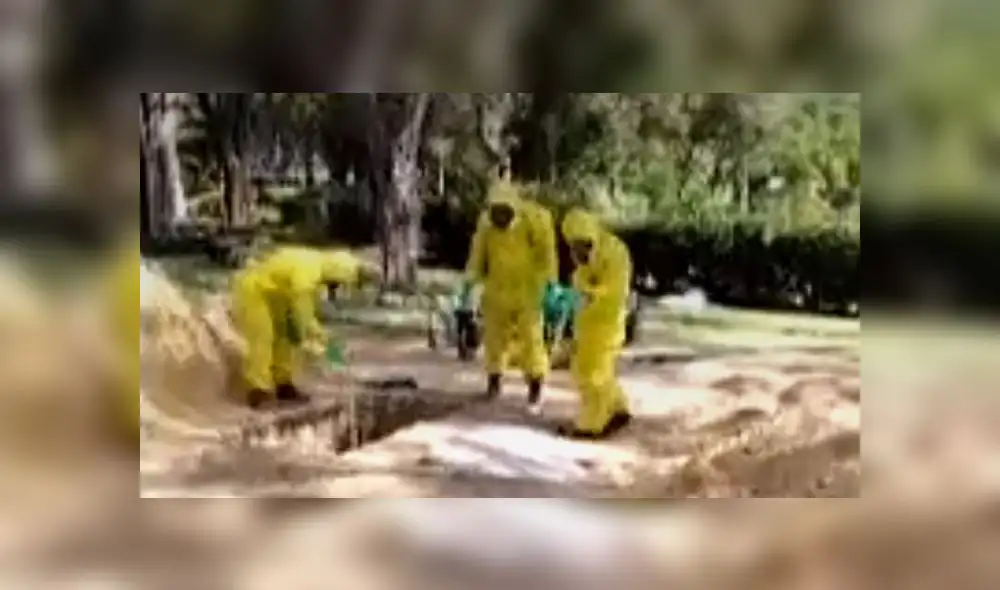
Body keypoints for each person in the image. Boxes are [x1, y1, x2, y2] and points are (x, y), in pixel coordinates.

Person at [231, 247, 377, 409]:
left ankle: (283, 384)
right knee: (263, 338)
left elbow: (302, 321)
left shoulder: (319, 270)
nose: (335, 288)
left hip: (278, 295)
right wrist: (326, 347)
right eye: (337, 284)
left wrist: (321, 339)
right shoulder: (308, 274)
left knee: (285, 338)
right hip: (255, 291)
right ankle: (258, 391)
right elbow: (304, 320)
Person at [462, 180, 558, 413]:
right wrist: (469, 282)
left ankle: (535, 388)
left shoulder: (535, 221)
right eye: (494, 212)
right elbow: (477, 256)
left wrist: (550, 283)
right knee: (494, 338)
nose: (498, 218)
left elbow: (547, 255)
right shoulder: (486, 225)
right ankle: (493, 383)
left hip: (528, 289)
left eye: (503, 213)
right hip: (497, 288)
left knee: (531, 339)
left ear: (514, 208)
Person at [559, 208, 634, 439]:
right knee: (589, 370)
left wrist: (591, 294)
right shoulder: (584, 262)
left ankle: (591, 425)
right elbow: (580, 287)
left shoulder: (615, 252)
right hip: (590, 325)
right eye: (574, 246)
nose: (579, 252)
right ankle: (618, 409)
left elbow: (616, 289)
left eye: (584, 245)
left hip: (608, 323)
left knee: (593, 374)